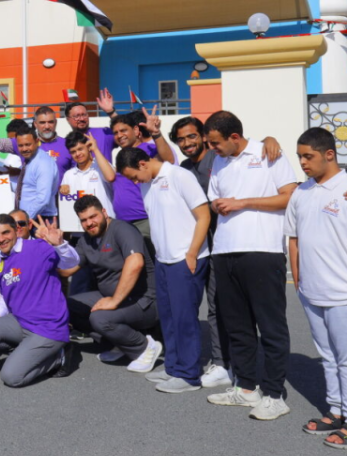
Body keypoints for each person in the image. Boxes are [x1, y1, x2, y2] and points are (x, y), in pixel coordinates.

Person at [287, 127, 347, 450]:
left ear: (329, 154)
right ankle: (338, 411)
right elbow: (294, 238)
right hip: (312, 293)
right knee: (328, 356)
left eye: (308, 156)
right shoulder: (301, 193)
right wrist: (299, 279)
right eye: (300, 156)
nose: (302, 162)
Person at [203, 110, 297, 420]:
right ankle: (245, 388)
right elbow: (215, 198)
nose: (212, 148)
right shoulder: (219, 161)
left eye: (216, 143)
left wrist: (243, 202)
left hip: (262, 251)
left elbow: (289, 196)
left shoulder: (269, 152)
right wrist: (219, 204)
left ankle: (274, 394)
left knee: (270, 327)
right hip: (225, 251)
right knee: (238, 326)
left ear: (234, 137)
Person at [117, 147, 210, 393]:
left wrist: (191, 253)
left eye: (135, 176)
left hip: (186, 258)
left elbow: (203, 215)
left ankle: (189, 376)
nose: (135, 182)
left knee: (185, 318)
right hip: (164, 259)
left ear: (144, 163)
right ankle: (173, 367)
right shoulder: (146, 184)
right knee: (168, 317)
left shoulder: (179, 176)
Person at [0, 214, 80, 387]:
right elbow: (6, 294)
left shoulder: (38, 247)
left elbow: (71, 262)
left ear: (17, 231)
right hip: (21, 321)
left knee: (11, 377)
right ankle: (28, 352)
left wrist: (59, 244)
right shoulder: (0, 262)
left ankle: (59, 357)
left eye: (5, 233)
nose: (1, 239)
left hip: (48, 327)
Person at [58, 195, 160, 373]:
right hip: (111, 297)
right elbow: (66, 270)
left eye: (93, 216)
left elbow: (135, 263)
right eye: (84, 220)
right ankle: (121, 343)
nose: (89, 223)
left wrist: (114, 300)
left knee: (100, 318)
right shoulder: (85, 240)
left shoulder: (122, 229)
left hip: (144, 301)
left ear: (104, 212)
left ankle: (144, 346)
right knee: (65, 306)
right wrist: (56, 245)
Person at [170, 116, 231, 389]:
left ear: (203, 136)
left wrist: (269, 141)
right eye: (181, 139)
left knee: (218, 306)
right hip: (196, 247)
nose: (187, 143)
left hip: (220, 246)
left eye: (191, 136)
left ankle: (222, 363)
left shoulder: (217, 160)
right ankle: (202, 359)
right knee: (196, 305)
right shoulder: (183, 168)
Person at [109, 108, 174, 239]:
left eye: (123, 130)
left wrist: (156, 133)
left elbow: (169, 161)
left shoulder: (147, 149)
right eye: (115, 132)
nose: (119, 135)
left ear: (136, 130)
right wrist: (111, 112)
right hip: (123, 222)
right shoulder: (122, 156)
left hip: (144, 220)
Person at [0, 102, 70, 183]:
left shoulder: (68, 144)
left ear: (56, 122)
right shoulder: (22, 143)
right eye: (42, 122)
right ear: (35, 124)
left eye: (50, 122)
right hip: (33, 198)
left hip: (61, 198)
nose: (47, 126)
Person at [59, 131, 116, 217]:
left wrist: (96, 149)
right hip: (81, 225)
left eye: (80, 149)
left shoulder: (101, 165)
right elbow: (66, 202)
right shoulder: (68, 175)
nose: (77, 154)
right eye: (73, 152)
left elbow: (111, 177)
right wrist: (63, 190)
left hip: (107, 222)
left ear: (88, 147)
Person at [12, 126, 58, 220]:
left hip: (40, 219)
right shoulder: (30, 160)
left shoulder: (42, 163)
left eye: (28, 144)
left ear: (37, 142)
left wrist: (25, 219)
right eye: (20, 145)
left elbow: (43, 199)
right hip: (32, 218)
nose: (24, 149)